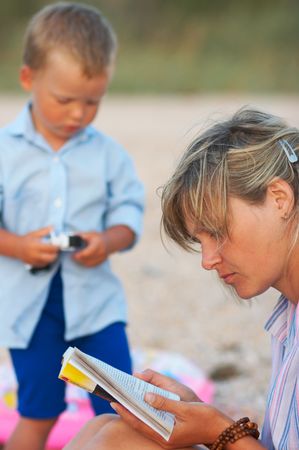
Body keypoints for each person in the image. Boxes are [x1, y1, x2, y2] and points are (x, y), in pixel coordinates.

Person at [64, 107, 299, 450]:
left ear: (279, 199)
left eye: (217, 232)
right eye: (198, 241)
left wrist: (218, 430)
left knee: (115, 440)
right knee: (105, 425)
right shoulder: (289, 312)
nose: (207, 260)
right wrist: (200, 413)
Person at [0, 3, 144, 450]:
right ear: (29, 79)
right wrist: (18, 245)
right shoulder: (5, 151)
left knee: (122, 407)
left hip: (96, 307)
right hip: (30, 312)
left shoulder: (108, 154)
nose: (78, 114)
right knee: (39, 411)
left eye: (92, 102)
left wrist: (108, 240)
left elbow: (129, 214)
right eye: (65, 100)